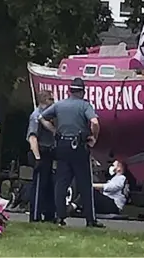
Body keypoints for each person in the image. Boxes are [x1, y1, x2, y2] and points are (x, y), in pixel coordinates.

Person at [39, 77, 104, 228]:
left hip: (61, 145)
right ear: (82, 91)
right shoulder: (85, 105)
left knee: (61, 182)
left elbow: (42, 118)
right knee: (85, 183)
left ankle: (59, 217)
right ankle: (90, 219)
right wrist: (94, 138)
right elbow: (94, 122)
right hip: (79, 146)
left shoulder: (59, 105)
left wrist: (55, 131)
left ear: (70, 91)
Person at [26, 90, 56, 223]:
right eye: (51, 99)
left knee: (49, 184)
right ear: (44, 100)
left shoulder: (49, 117)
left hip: (49, 152)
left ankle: (49, 214)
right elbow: (33, 138)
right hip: (40, 153)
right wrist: (37, 158)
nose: (53, 102)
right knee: (39, 185)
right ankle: (36, 216)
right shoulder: (36, 116)